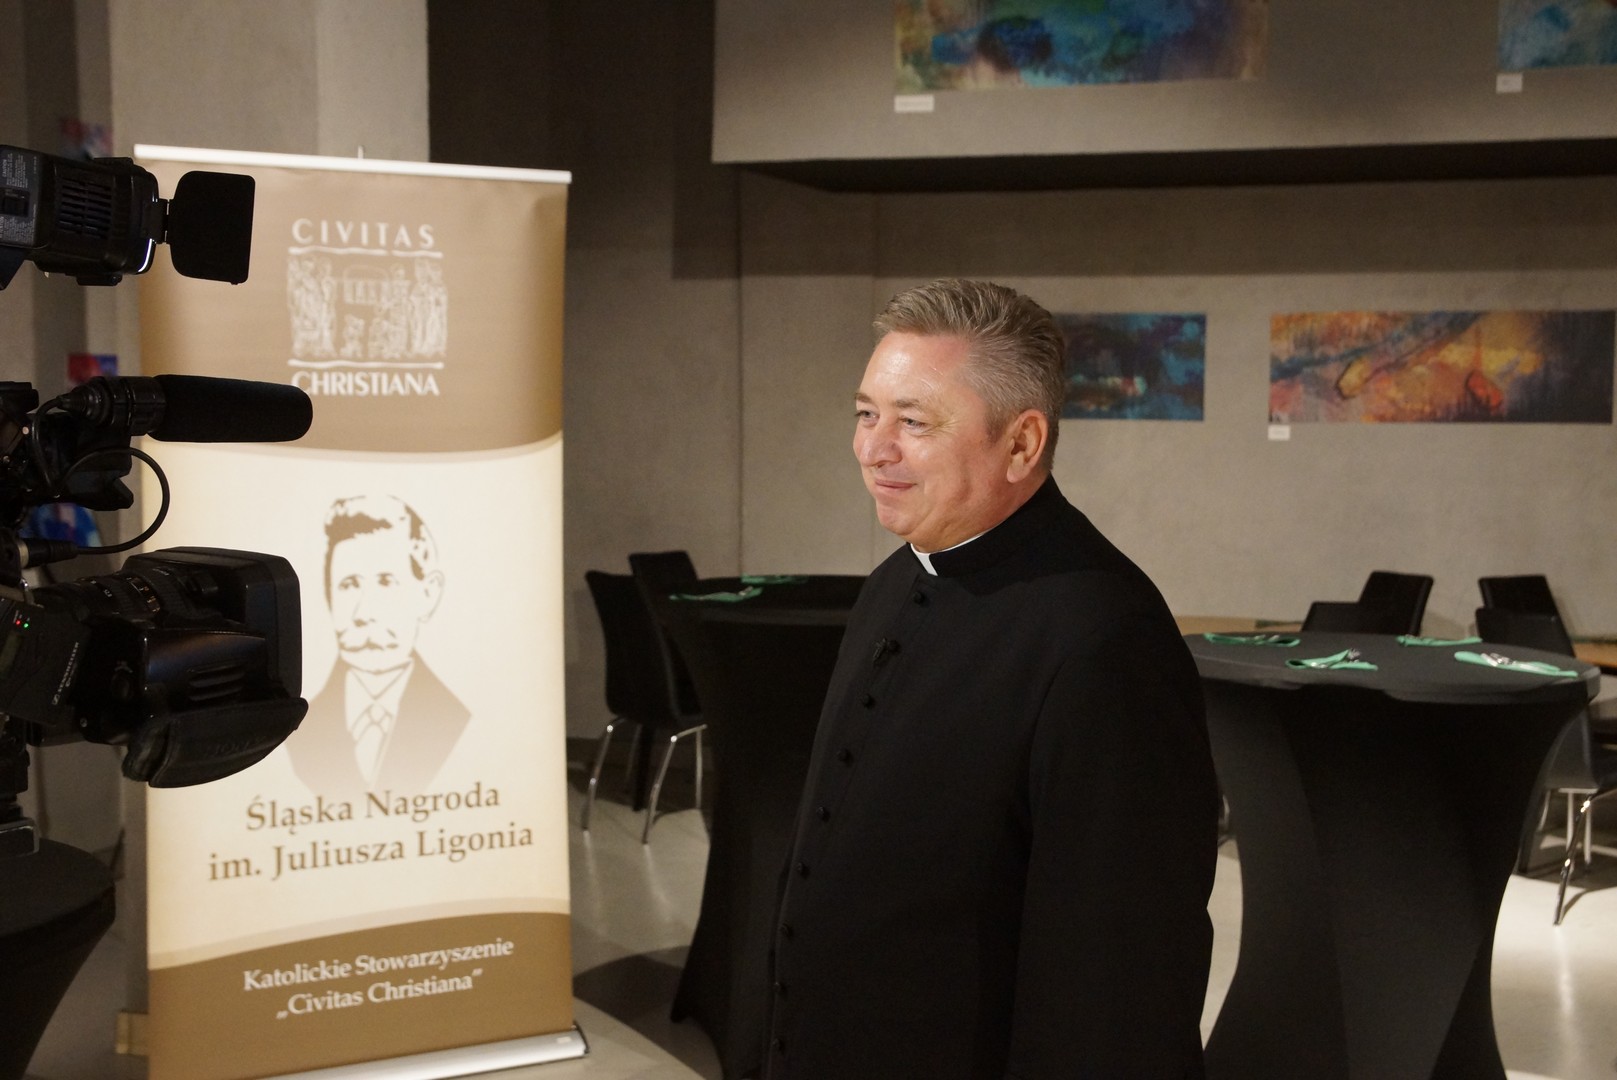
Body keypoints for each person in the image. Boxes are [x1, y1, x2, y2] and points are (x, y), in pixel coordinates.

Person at [764, 280, 1219, 1079]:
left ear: (1020, 444)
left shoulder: (1104, 636)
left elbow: (1119, 976)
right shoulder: (891, 583)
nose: (873, 449)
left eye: (914, 422)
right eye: (866, 413)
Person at [288, 494, 470, 799]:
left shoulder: (460, 719)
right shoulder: (296, 726)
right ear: (329, 597)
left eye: (386, 581)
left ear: (428, 594)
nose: (364, 613)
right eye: (349, 585)